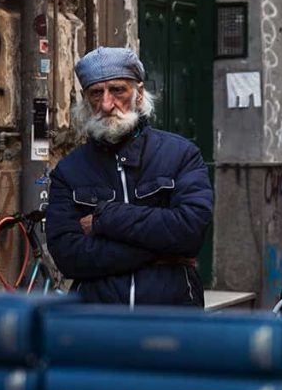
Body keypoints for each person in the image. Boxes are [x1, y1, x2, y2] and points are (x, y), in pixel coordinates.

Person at [45, 46, 213, 307]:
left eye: (117, 90)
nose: (106, 104)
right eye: (96, 93)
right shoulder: (69, 171)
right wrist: (162, 252)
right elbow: (69, 257)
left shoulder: (181, 155)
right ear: (85, 99)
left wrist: (105, 218)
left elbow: (190, 231)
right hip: (97, 323)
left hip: (173, 318)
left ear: (139, 93)